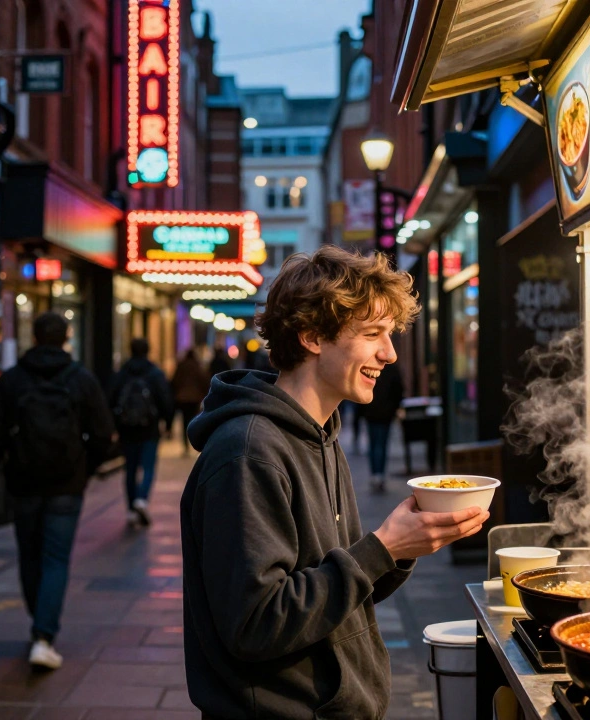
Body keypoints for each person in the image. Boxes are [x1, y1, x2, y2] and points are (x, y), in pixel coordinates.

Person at [180, 247, 489, 718]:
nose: (389, 353)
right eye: (372, 335)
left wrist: (401, 549)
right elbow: (257, 624)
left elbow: (335, 585)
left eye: (390, 334)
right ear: (311, 337)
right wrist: (383, 547)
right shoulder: (248, 453)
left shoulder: (321, 433)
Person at [0, 311, 115, 670]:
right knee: (56, 558)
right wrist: (86, 467)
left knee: (30, 555)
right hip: (67, 483)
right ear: (66, 337)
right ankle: (44, 636)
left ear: (33, 338)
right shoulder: (81, 379)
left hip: (22, 482)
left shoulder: (12, 381)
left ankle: (39, 625)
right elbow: (102, 434)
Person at [108, 338, 174, 527]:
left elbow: (111, 398)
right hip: (150, 428)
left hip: (127, 429)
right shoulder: (154, 373)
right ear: (148, 350)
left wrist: (114, 425)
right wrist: (167, 424)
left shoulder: (122, 373)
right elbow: (165, 399)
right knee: (148, 466)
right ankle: (142, 499)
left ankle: (130, 509)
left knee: (130, 468)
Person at [364, 365, 405, 492]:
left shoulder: (370, 367)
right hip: (385, 414)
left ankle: (375, 474)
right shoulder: (391, 368)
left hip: (371, 412)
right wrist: (395, 408)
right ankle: (379, 475)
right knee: (381, 444)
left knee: (373, 444)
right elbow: (398, 389)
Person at [170, 347, 211, 455]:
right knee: (194, 420)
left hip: (182, 398)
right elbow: (204, 381)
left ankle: (186, 446)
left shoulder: (181, 366)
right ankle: (194, 443)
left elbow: (174, 381)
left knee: (184, 421)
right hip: (195, 398)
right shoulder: (197, 366)